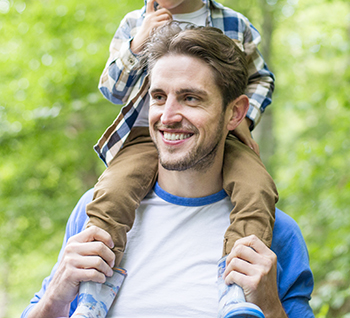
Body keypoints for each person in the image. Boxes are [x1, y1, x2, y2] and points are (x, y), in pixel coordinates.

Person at [22, 24, 314, 318]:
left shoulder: (275, 234)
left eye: (191, 98)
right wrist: (55, 298)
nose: (168, 116)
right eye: (159, 97)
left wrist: (271, 307)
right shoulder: (94, 211)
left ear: (235, 113)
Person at [86, 0, 278, 299]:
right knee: (112, 193)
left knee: (257, 187)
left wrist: (242, 118)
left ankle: (238, 286)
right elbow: (111, 89)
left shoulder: (231, 24)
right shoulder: (134, 24)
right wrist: (137, 46)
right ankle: (94, 287)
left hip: (218, 137)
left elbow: (261, 79)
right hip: (144, 136)